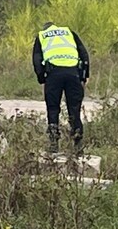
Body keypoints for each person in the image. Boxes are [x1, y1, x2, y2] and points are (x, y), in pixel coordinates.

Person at [32, 21, 91, 154]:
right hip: (73, 74)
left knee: (53, 108)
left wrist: (42, 78)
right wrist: (84, 75)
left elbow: (37, 60)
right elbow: (84, 54)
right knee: (74, 109)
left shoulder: (42, 35)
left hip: (53, 74)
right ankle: (78, 144)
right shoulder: (69, 32)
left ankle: (53, 144)